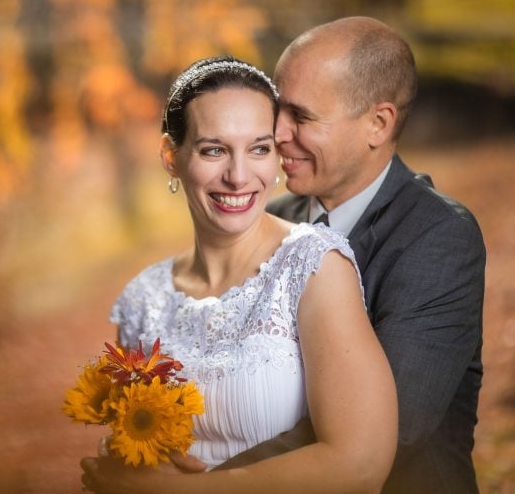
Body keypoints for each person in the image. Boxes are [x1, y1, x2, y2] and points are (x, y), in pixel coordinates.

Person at [79, 56, 398, 493]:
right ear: (171, 157)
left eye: (259, 148)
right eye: (214, 149)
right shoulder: (144, 299)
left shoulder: (312, 266)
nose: (238, 176)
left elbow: (360, 466)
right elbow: (140, 446)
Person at [210, 17, 486, 494]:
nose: (276, 133)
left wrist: (202, 474)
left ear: (377, 124)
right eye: (278, 109)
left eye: (302, 116)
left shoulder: (438, 237)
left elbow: (389, 432)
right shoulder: (270, 219)